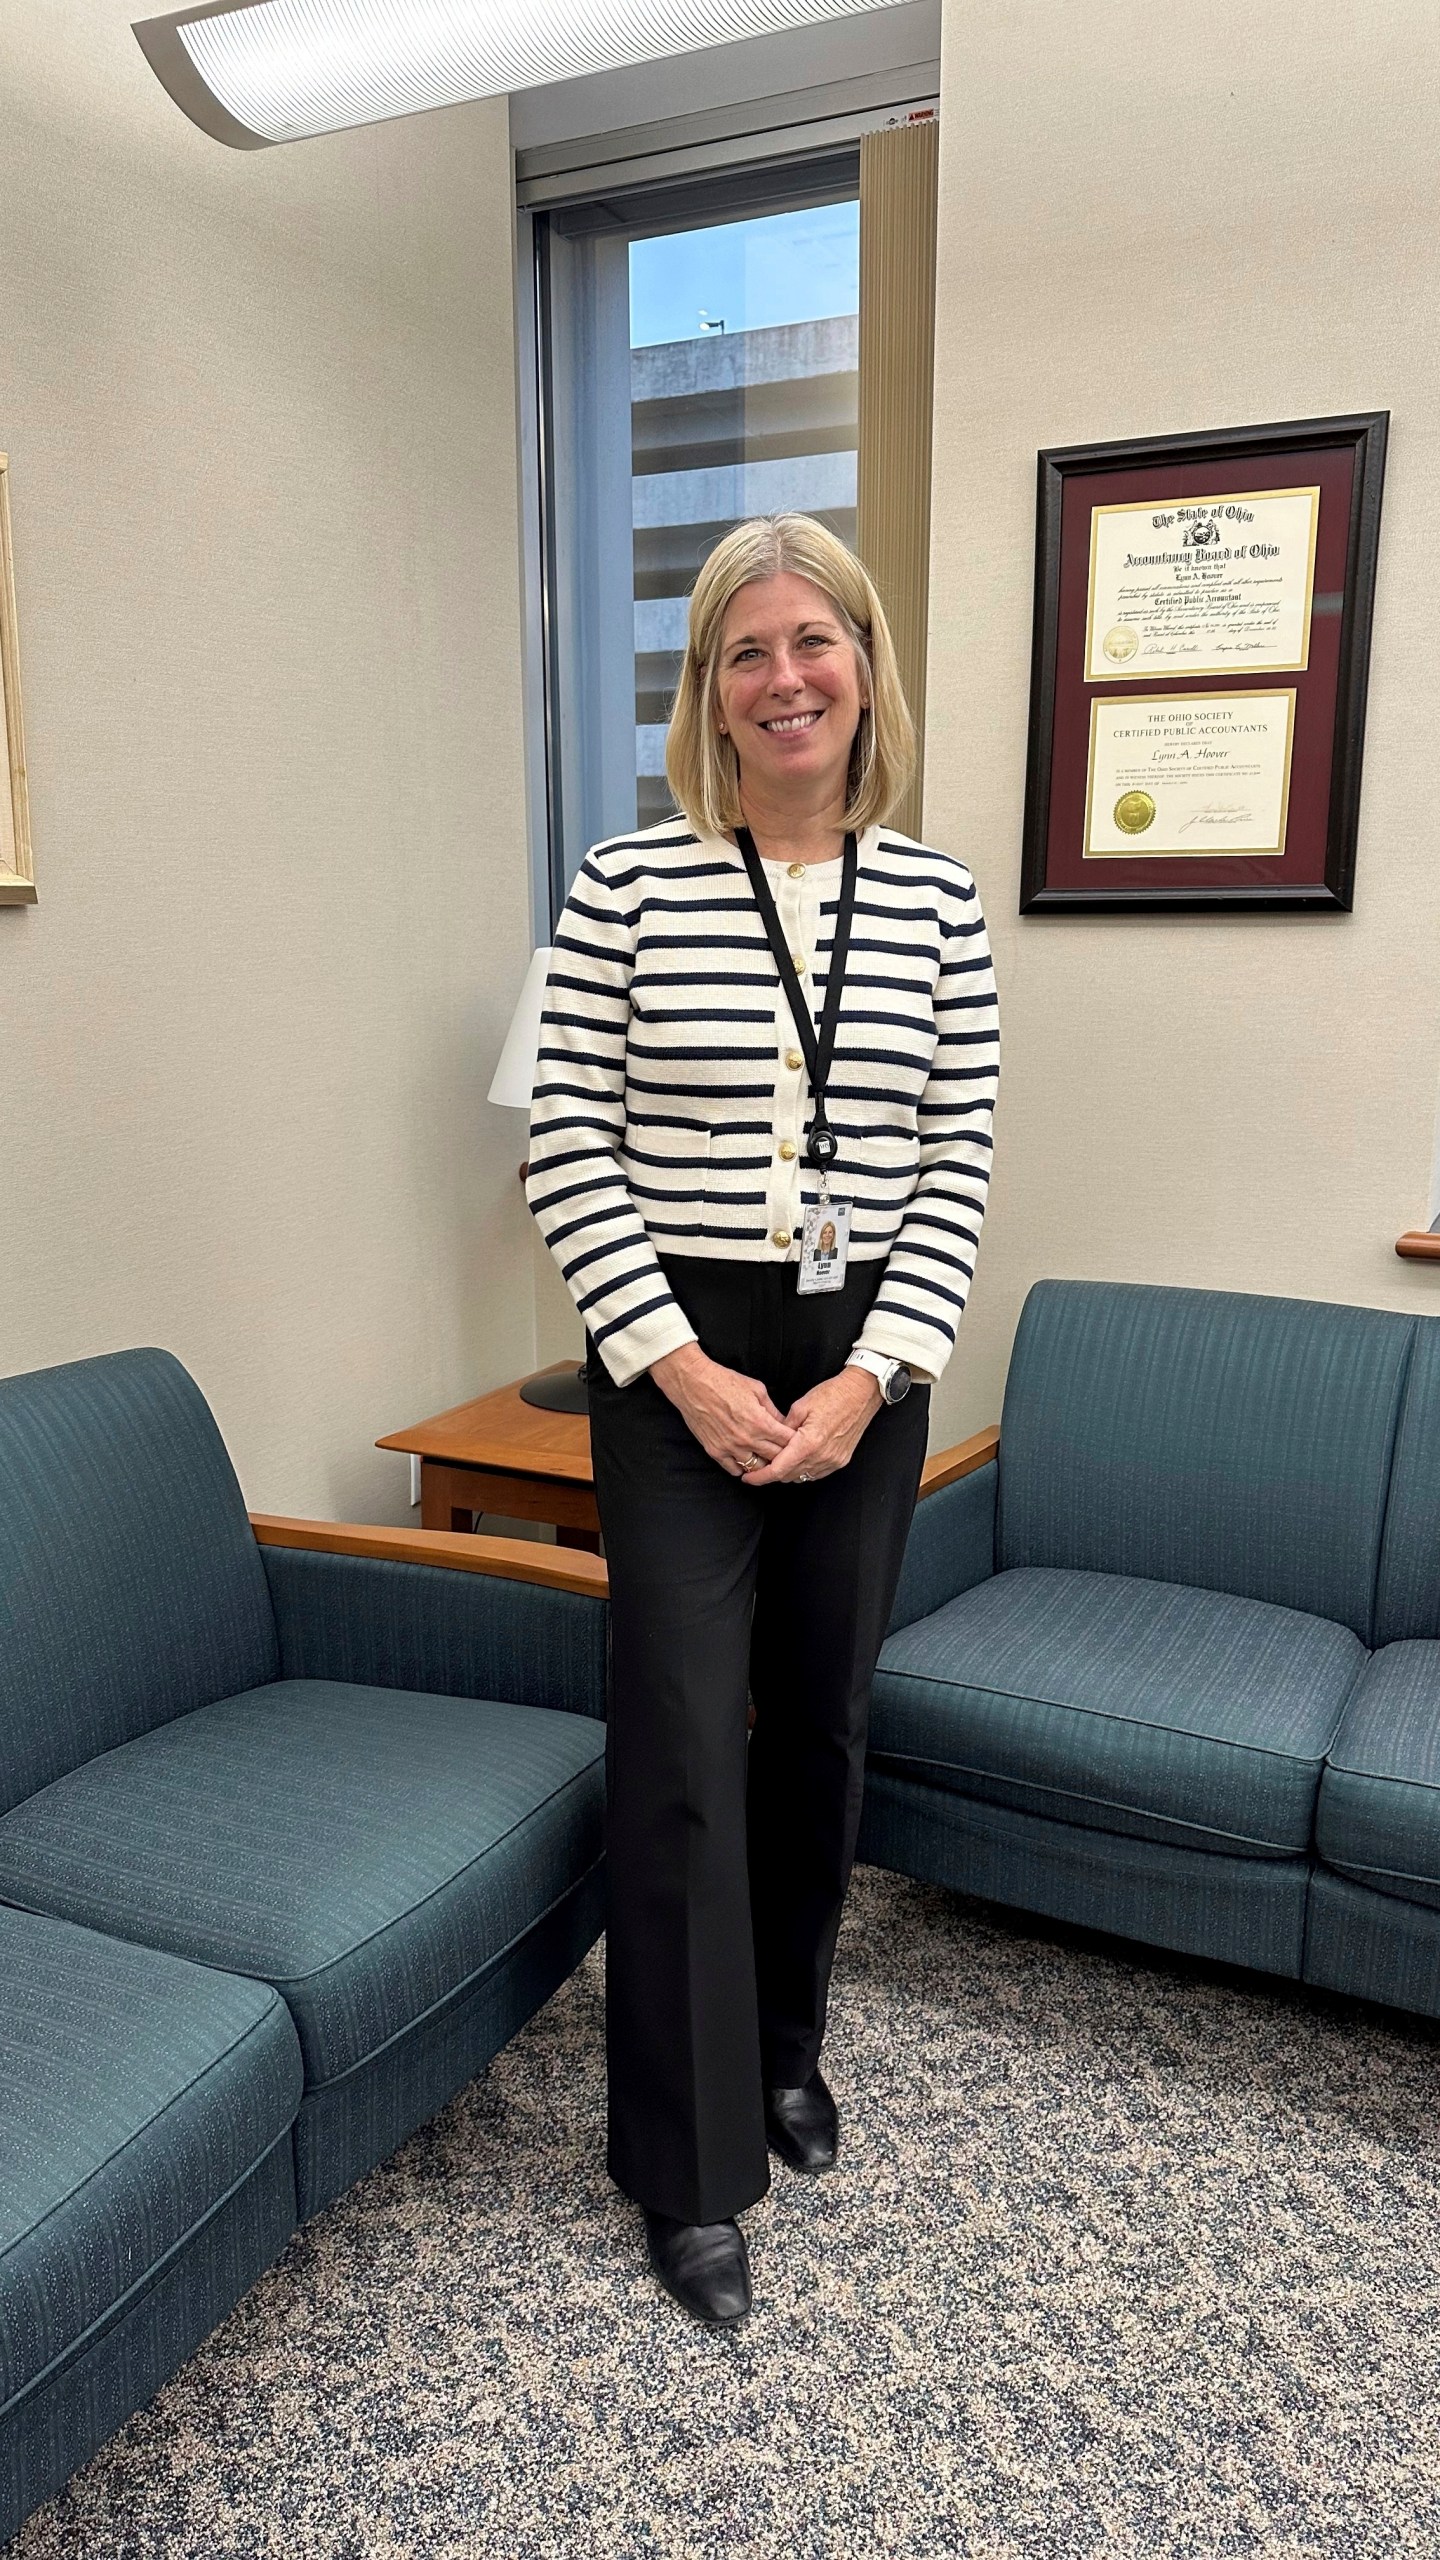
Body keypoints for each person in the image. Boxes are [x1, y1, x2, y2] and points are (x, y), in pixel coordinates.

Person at [526, 513, 999, 2324]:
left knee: (820, 1723)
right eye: (745, 648)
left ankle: (786, 2042)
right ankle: (686, 2160)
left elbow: (954, 1160)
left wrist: (876, 1371)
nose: (784, 675)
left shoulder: (938, 897)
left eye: (814, 640)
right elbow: (567, 1138)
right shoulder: (626, 883)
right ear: (707, 692)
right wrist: (679, 1365)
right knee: (673, 1745)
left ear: (863, 664)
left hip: (869, 1350)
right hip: (677, 1361)